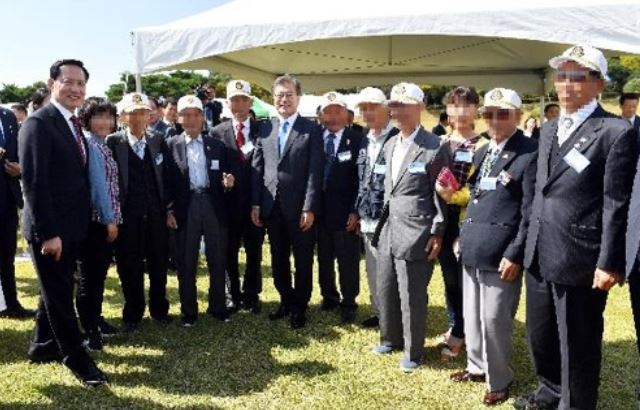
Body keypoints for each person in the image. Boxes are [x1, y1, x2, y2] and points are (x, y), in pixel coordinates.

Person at [518, 45, 638, 410]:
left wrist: (609, 261)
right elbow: (540, 191)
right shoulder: (550, 127)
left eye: (577, 75)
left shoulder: (615, 131)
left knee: (578, 342)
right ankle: (549, 392)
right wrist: (524, 244)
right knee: (540, 334)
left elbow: (616, 203)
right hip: (540, 249)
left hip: (580, 255)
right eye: (561, 75)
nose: (565, 83)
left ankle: (577, 403)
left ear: (598, 84)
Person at [20, 59, 107, 386]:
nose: (75, 89)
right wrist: (49, 234)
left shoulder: (72, 123)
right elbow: (35, 183)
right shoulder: (39, 123)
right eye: (68, 82)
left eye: (81, 84)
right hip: (51, 230)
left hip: (73, 227)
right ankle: (77, 359)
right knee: (59, 296)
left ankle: (42, 346)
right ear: (51, 83)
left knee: (54, 289)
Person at [449, 88, 538, 406]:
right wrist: (462, 233)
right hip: (473, 247)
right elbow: (476, 199)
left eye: (502, 113)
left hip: (502, 253)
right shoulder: (484, 152)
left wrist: (515, 252)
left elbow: (530, 212)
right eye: (489, 113)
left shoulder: (529, 152)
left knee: (495, 320)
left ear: (517, 114)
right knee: (472, 316)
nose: (495, 119)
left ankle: (499, 379)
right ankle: (476, 366)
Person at [372, 82, 449, 372]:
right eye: (393, 105)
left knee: (412, 294)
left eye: (403, 105)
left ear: (419, 107)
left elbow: (441, 195)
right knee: (386, 286)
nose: (396, 111)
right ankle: (389, 337)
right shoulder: (391, 142)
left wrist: (437, 232)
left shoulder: (435, 146)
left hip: (417, 230)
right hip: (389, 226)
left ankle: (413, 351)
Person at [251, 74, 324, 329]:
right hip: (272, 207)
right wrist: (256, 204)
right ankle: (285, 299)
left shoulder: (312, 130)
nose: (284, 100)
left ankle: (300, 307)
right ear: (273, 99)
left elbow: (315, 171)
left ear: (298, 98)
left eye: (289, 95)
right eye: (280, 95)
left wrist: (309, 207)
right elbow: (257, 170)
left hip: (299, 208)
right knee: (278, 258)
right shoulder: (265, 127)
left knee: (303, 260)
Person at [165, 95, 235, 326]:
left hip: (213, 204)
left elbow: (225, 174)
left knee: (217, 257)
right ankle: (189, 311)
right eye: (186, 114)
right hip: (187, 207)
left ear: (202, 118)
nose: (192, 119)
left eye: (196, 114)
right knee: (187, 260)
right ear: (179, 118)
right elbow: (166, 183)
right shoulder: (171, 145)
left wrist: (228, 183)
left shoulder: (216, 145)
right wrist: (170, 210)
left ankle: (217, 307)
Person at [107, 92, 171, 333]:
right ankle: (133, 311)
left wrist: (169, 209)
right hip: (127, 217)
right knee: (129, 265)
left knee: (158, 263)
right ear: (122, 117)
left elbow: (168, 177)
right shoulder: (114, 142)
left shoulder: (158, 140)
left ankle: (159, 309)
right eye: (132, 113)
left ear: (150, 115)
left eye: (143, 112)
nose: (138, 117)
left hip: (156, 214)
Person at [433, 86, 487, 360]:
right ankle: (457, 326)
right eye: (455, 105)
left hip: (469, 220)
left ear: (476, 109)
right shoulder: (439, 142)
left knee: (468, 280)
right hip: (441, 221)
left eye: (467, 105)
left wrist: (454, 196)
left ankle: (465, 332)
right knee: (450, 279)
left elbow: (484, 189)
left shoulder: (484, 145)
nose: (461, 111)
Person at [212, 80, 265, 314]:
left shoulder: (264, 130)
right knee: (228, 252)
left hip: (255, 203)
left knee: (254, 252)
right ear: (227, 103)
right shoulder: (217, 132)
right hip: (229, 204)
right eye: (234, 99)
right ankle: (232, 294)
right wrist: (222, 182)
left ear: (251, 102)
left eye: (244, 99)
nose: (239, 104)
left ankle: (251, 295)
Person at [76, 97, 121, 350]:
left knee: (98, 276)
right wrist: (110, 220)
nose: (105, 122)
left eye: (108, 117)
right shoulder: (91, 145)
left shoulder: (102, 144)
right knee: (89, 279)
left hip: (104, 220)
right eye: (98, 116)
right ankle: (89, 330)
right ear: (87, 119)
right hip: (96, 222)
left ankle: (96, 320)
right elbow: (99, 188)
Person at [316, 91, 363, 324]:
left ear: (347, 115)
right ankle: (329, 296)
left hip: (345, 213)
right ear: (321, 116)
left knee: (347, 260)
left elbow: (361, 180)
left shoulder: (357, 140)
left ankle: (349, 302)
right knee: (324, 258)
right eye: (328, 111)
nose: (333, 116)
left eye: (338, 111)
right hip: (319, 212)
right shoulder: (315, 138)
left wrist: (356, 211)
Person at [355, 87, 398, 329]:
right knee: (372, 270)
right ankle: (380, 312)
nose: (368, 113)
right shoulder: (365, 139)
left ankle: (393, 317)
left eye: (373, 107)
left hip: (390, 221)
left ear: (387, 109)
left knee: (389, 273)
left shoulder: (396, 138)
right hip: (367, 217)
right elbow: (361, 179)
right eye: (364, 109)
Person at [0, 106, 33, 318]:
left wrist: (20, 168)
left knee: (6, 253)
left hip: (7, 197)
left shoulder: (7, 115)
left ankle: (11, 303)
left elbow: (18, 152)